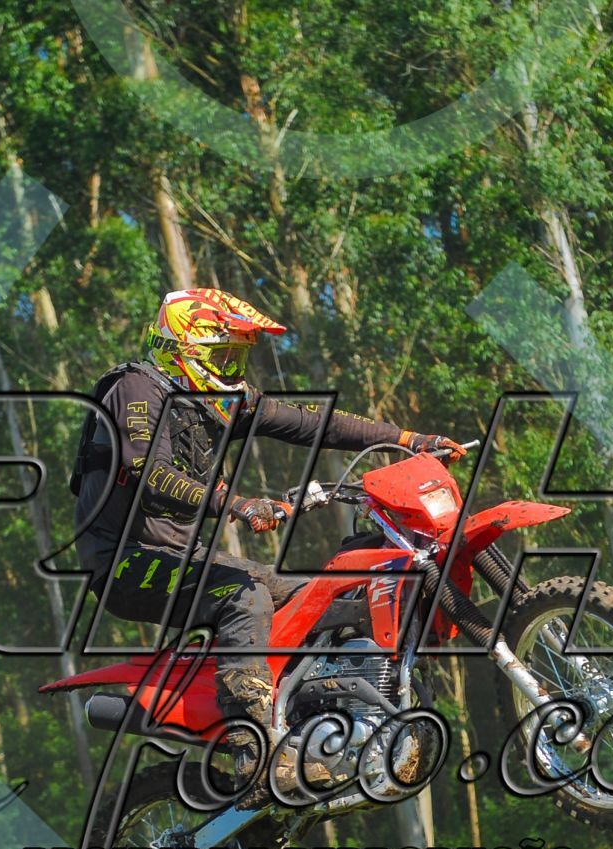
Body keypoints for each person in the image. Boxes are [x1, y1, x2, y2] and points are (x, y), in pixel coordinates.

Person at [71, 288, 463, 786]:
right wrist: (234, 502)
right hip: (124, 562)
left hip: (183, 556)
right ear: (181, 349)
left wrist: (407, 439)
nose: (231, 369)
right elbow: (150, 473)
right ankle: (253, 749)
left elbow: (313, 423)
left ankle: (313, 728)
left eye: (237, 357)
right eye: (222, 356)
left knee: (314, 599)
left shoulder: (218, 399)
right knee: (243, 596)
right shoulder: (136, 388)